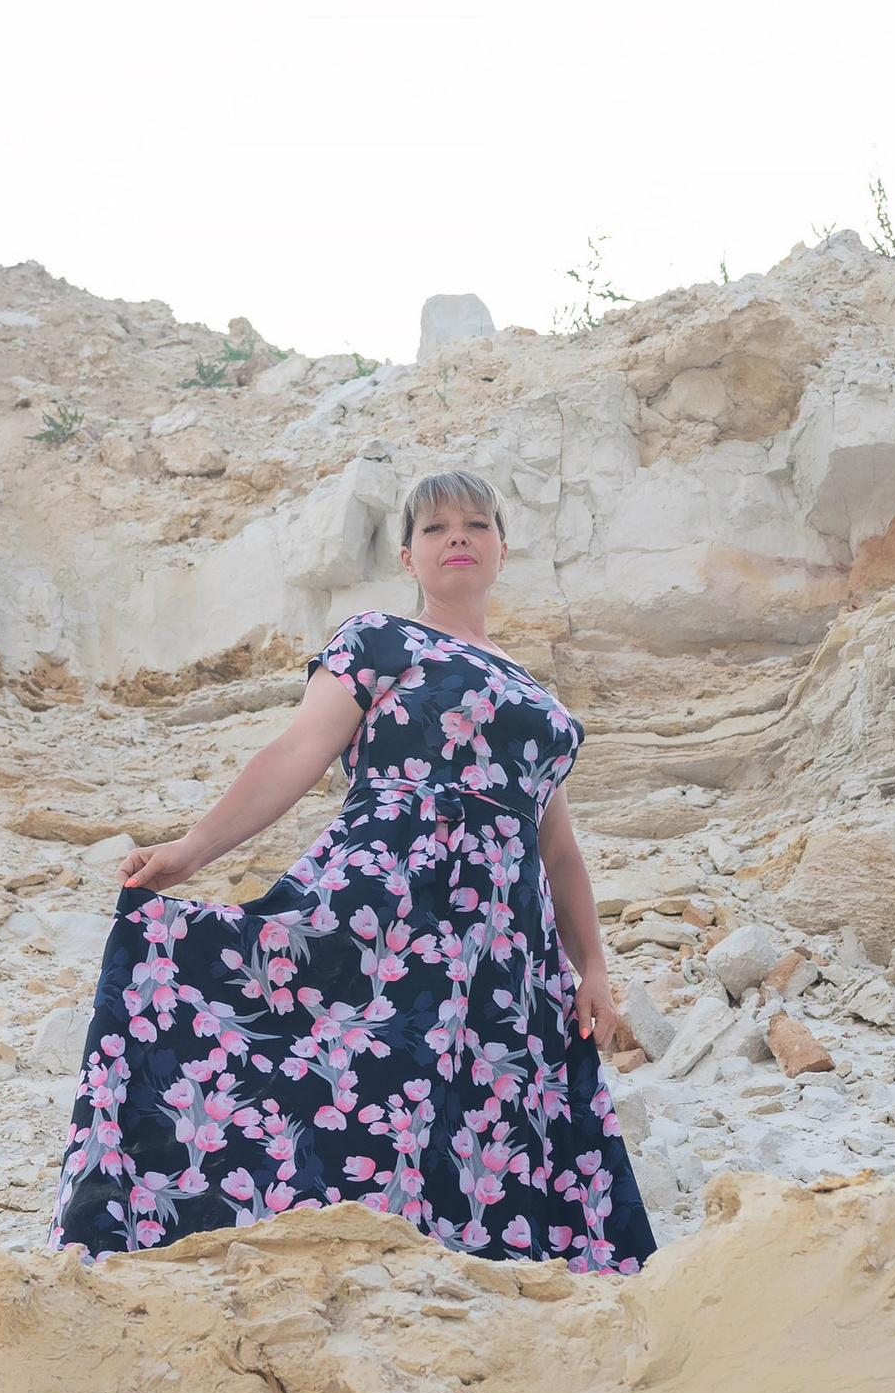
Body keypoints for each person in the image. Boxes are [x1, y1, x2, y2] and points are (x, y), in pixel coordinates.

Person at [48, 469, 654, 1271]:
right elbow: (299, 750)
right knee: (359, 1071)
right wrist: (192, 851)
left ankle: (456, 1269)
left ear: (504, 550)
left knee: (479, 1100)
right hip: (389, 897)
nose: (459, 538)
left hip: (504, 937)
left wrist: (594, 969)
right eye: (436, 529)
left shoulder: (536, 696)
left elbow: (558, 849)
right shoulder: (380, 639)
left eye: (477, 525)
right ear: (408, 557)